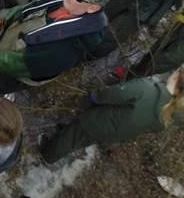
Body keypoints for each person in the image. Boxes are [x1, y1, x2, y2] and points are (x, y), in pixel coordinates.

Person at [0, 0, 110, 92]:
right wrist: (3, 16)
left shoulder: (67, 49)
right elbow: (30, 7)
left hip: (10, 73)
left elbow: (19, 63)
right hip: (5, 42)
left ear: (92, 8)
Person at [39, 65, 184, 164]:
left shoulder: (146, 89)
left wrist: (93, 96)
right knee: (85, 138)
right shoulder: (177, 113)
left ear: (176, 77)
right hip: (119, 132)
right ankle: (65, 142)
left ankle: (48, 155)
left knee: (73, 135)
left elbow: (115, 94)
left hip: (100, 120)